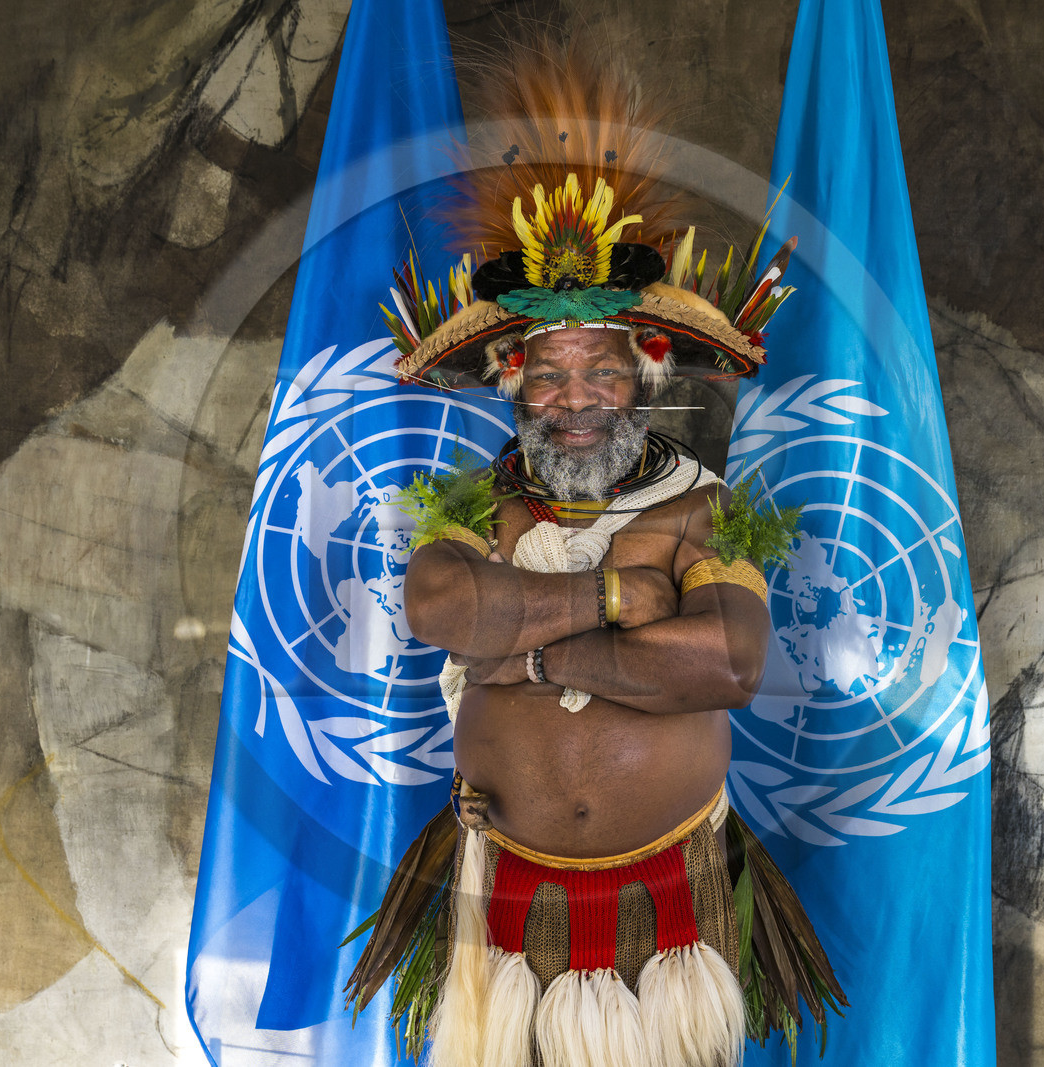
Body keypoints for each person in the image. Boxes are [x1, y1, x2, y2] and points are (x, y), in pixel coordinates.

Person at [344, 44, 843, 1067]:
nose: (572, 402)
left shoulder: (705, 505)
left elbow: (730, 664)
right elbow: (442, 609)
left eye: (598, 372)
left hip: (669, 895)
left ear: (641, 377)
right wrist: (628, 591)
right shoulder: (473, 500)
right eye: (546, 377)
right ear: (513, 386)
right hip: (501, 887)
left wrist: (523, 652)